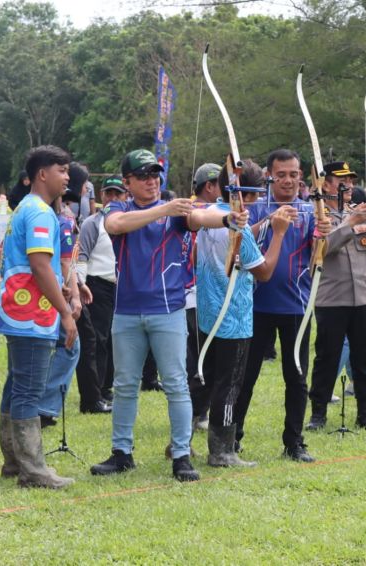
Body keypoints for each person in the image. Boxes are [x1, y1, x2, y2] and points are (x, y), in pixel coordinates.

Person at [89, 149, 247, 482]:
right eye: (143, 176)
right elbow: (116, 225)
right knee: (125, 385)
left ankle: (180, 455)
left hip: (168, 310)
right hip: (127, 311)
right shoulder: (120, 207)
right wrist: (164, 208)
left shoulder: (177, 212)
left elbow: (198, 218)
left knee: (176, 384)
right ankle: (122, 452)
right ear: (128, 182)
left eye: (155, 175)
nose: (151, 181)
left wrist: (227, 219)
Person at [233, 149, 331, 463]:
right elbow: (241, 238)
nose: (287, 180)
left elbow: (318, 252)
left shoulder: (310, 211)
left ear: (301, 177)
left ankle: (294, 443)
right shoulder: (257, 208)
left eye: (293, 174)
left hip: (295, 308)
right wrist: (269, 223)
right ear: (270, 177)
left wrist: (322, 234)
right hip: (257, 306)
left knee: (296, 378)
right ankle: (232, 438)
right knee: (245, 377)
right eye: (281, 175)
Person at [194, 159, 292, 466]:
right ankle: (222, 451)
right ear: (247, 192)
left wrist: (260, 224)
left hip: (208, 314)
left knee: (207, 379)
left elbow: (236, 232)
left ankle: (183, 442)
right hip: (233, 318)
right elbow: (263, 271)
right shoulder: (235, 227)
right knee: (229, 383)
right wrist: (277, 233)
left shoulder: (213, 214)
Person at [0, 145, 77, 489]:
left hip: (20, 311)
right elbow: (41, 267)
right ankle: (33, 470)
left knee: (17, 384)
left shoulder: (25, 208)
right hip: (32, 315)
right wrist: (65, 312)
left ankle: (14, 461)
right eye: (62, 170)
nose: (67, 177)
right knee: (28, 389)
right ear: (43, 174)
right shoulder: (41, 212)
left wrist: (65, 287)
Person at [306, 161, 366, 432]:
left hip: (363, 297)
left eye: (350, 179)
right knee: (327, 358)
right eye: (341, 179)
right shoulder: (319, 215)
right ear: (326, 183)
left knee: (365, 357)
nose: (347, 184)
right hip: (332, 298)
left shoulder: (357, 212)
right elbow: (321, 250)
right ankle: (318, 414)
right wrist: (350, 224)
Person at [75, 175, 126, 414]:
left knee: (116, 340)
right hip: (97, 286)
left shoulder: (128, 222)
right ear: (102, 195)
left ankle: (107, 387)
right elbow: (82, 255)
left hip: (121, 286)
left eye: (118, 194)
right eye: (109, 194)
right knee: (98, 341)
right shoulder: (92, 223)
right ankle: (97, 391)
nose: (113, 198)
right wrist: (81, 284)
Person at [38, 180, 81, 427]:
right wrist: (74, 297)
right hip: (57, 294)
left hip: (39, 294)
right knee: (70, 346)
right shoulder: (63, 222)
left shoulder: (31, 214)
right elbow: (67, 263)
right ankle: (45, 405)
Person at [188, 163, 222, 430]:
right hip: (193, 295)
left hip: (203, 293)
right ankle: (196, 412)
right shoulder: (199, 211)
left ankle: (199, 411)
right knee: (200, 358)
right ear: (210, 187)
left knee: (204, 356)